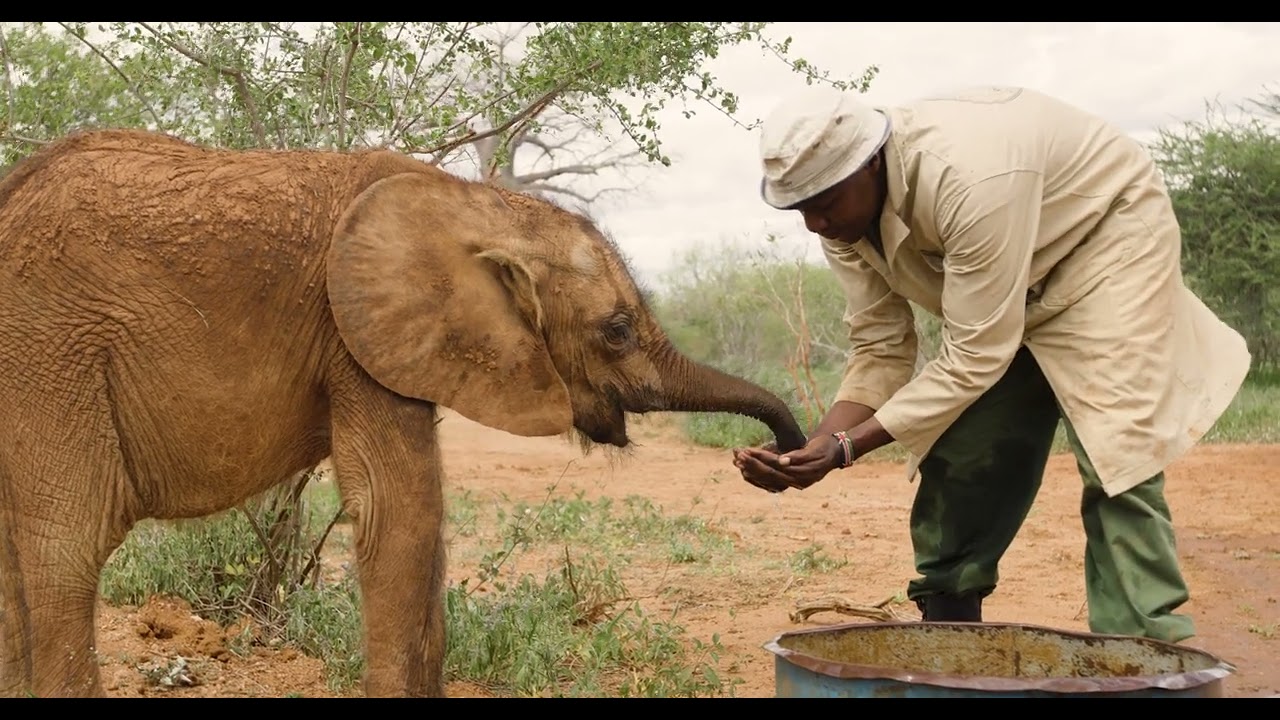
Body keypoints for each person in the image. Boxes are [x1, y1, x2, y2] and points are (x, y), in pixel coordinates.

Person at [732, 85, 1252, 643]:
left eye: (825, 202)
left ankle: (1145, 650)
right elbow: (882, 344)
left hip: (1103, 247)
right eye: (800, 208)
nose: (815, 223)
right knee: (969, 443)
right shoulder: (843, 216)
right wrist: (818, 446)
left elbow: (975, 354)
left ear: (872, 161)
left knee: (1118, 455)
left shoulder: (967, 179)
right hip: (1009, 283)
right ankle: (949, 625)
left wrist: (849, 448)